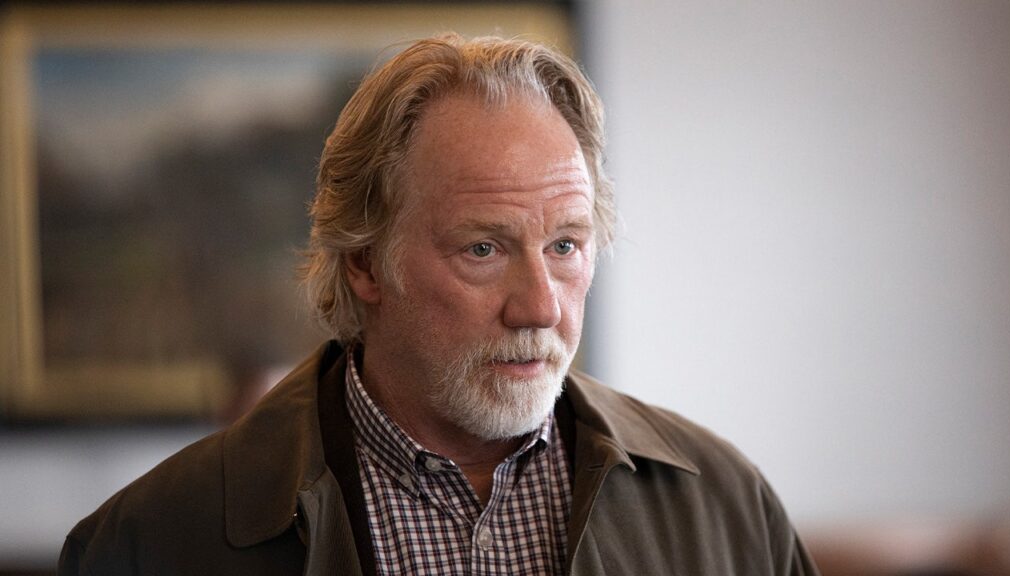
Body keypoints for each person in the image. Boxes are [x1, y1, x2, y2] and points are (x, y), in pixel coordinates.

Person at [59, 34, 819, 575]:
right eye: (483, 249)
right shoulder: (147, 542)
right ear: (365, 261)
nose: (539, 307)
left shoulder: (727, 506)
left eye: (565, 245)